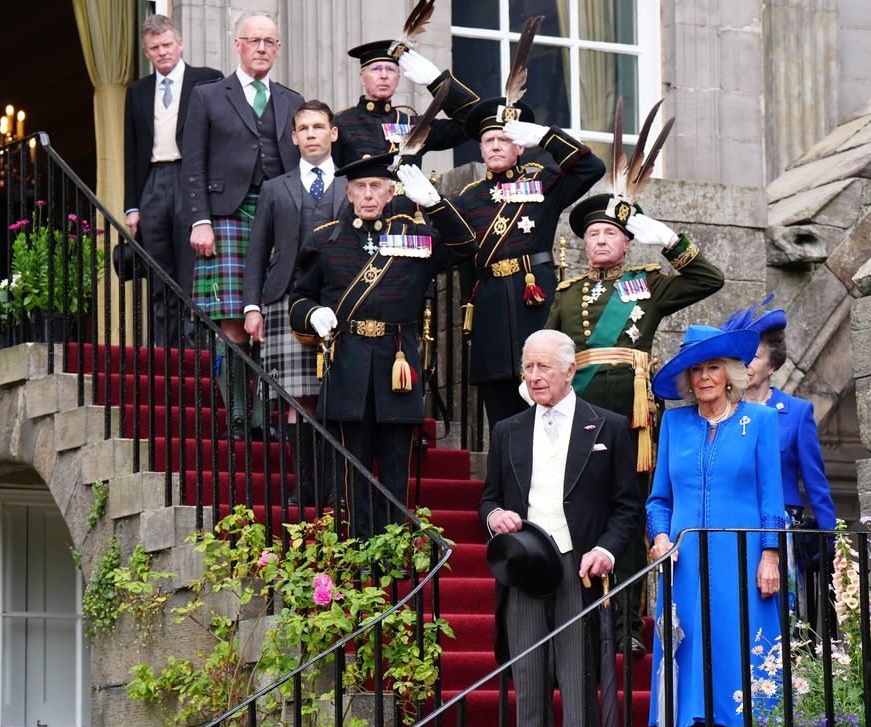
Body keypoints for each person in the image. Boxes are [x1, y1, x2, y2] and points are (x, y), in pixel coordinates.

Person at [546, 194, 725, 657]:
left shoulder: (646, 286)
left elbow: (709, 278)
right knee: (582, 516)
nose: (599, 241)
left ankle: (626, 625)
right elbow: (546, 351)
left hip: (633, 416)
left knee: (628, 516)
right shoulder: (567, 294)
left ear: (627, 244)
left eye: (610, 234)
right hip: (579, 415)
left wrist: (669, 240)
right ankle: (582, 625)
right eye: (592, 235)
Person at [479, 329, 643, 727]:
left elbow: (627, 506)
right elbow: (488, 498)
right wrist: (494, 515)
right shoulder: (507, 429)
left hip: (580, 571)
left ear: (570, 371)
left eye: (543, 367)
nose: (533, 377)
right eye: (528, 367)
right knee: (528, 691)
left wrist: (607, 551)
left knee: (577, 691)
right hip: (524, 571)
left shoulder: (607, 426)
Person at [288, 154, 476, 537]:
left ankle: (394, 549)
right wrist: (312, 315)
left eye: (377, 187)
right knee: (350, 467)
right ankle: (355, 547)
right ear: (349, 193)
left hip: (397, 366)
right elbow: (298, 299)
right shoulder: (325, 239)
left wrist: (436, 204)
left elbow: (464, 248)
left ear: (392, 193)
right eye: (361, 188)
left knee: (395, 466)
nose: (369, 196)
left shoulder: (417, 237)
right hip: (348, 366)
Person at [646, 325, 787, 727]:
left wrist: (770, 553)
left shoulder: (760, 422)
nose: (704, 377)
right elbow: (657, 500)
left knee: (742, 668)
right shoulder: (675, 425)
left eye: (712, 368)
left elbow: (773, 498)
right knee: (699, 676)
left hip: (743, 568)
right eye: (696, 370)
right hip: (684, 570)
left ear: (729, 374)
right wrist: (661, 536)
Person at [181, 13, 303, 439]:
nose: (262, 48)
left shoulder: (291, 100)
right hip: (227, 214)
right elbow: (192, 162)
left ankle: (259, 416)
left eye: (270, 42)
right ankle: (238, 415)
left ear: (278, 48)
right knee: (233, 321)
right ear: (238, 45)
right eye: (254, 41)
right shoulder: (208, 96)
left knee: (267, 319)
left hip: (278, 217)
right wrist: (201, 220)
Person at [454, 99, 605, 426]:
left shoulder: (543, 183)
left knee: (550, 408)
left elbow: (592, 168)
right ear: (480, 150)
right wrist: (469, 307)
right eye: (489, 141)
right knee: (501, 419)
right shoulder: (467, 199)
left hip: (536, 304)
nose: (496, 146)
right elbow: (463, 260)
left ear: (520, 146)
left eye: (504, 139)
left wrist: (546, 136)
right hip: (491, 311)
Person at [242, 101, 347, 502]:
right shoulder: (275, 188)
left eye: (319, 127)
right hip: (285, 301)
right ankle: (303, 488)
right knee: (296, 399)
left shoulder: (352, 185)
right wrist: (251, 306)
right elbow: (257, 252)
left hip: (340, 302)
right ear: (294, 137)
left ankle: (335, 490)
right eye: (303, 128)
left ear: (333, 133)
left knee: (337, 397)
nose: (311, 135)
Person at [723, 301, 837, 628]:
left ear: (772, 365)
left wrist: (832, 543)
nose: (746, 364)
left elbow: (816, 484)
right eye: (741, 356)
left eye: (755, 357)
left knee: (783, 617)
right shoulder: (725, 413)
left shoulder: (797, 412)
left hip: (782, 530)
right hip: (735, 523)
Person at [122, 14, 222, 345]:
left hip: (190, 177)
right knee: (158, 268)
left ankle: (195, 349)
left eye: (167, 44)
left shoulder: (207, 80)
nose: (162, 52)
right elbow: (131, 148)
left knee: (192, 267)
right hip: (153, 180)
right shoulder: (137, 91)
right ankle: (164, 351)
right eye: (155, 48)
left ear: (180, 43)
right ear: (147, 52)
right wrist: (131, 205)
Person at [333, 40, 478, 165]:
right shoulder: (340, 123)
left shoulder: (415, 126)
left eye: (390, 70)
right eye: (376, 69)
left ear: (398, 78)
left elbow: (472, 123)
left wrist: (437, 82)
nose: (384, 76)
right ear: (362, 78)